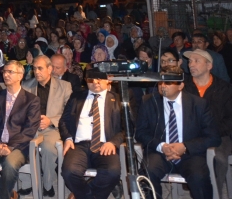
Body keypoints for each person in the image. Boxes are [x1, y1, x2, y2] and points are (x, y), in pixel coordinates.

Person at [136, 73, 220, 199]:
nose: (162, 86)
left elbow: (213, 137)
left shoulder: (199, 104)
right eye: (160, 83)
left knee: (198, 176)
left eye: (168, 83)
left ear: (180, 85)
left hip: (190, 154)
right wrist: (161, 146)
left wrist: (185, 146)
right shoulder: (149, 102)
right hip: (160, 153)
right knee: (147, 172)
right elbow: (140, 132)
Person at [0, 60, 41, 199]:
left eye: (10, 72)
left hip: (18, 145)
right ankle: (8, 194)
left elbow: (29, 130)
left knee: (10, 165)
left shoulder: (31, 100)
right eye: (4, 71)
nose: (6, 75)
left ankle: (2, 196)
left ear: (20, 75)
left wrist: (10, 146)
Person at [59, 68, 123, 199]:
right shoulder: (77, 97)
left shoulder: (117, 99)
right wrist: (68, 138)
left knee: (112, 172)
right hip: (79, 145)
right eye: (91, 79)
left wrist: (113, 142)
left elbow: (128, 128)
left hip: (105, 145)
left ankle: (80, 194)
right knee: (69, 172)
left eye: (99, 79)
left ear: (108, 81)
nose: (95, 82)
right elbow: (63, 121)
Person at [182, 49, 232, 198]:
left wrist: (214, 132)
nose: (191, 64)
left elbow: (230, 118)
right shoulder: (183, 87)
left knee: (218, 158)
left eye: (197, 61)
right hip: (190, 135)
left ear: (209, 65)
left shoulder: (223, 88)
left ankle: (214, 193)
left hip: (218, 135)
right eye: (190, 61)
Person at [22, 54, 73, 197]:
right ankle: (26, 182)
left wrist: (51, 120)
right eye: (34, 68)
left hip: (52, 128)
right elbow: (21, 109)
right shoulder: (26, 85)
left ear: (49, 69)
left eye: (40, 68)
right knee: (20, 144)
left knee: (48, 149)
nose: (36, 72)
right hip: (31, 127)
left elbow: (69, 112)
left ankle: (48, 184)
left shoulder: (64, 86)